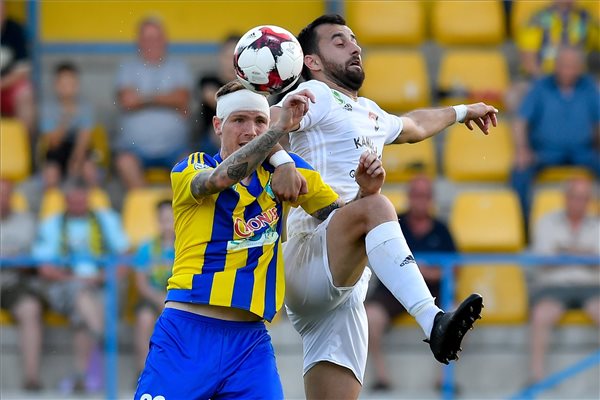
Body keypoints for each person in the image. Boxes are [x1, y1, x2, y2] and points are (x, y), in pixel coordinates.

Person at [271, 14, 495, 399]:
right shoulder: (316, 94)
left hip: (345, 285)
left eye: (354, 39)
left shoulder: (368, 111)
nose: (354, 46)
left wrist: (462, 111)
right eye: (339, 41)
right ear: (312, 61)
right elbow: (266, 124)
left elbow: (414, 126)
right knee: (377, 206)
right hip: (310, 255)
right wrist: (282, 161)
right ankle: (433, 320)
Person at [134, 80, 384, 399]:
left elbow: (339, 218)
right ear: (218, 125)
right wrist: (279, 140)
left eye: (259, 121)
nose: (250, 131)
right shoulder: (193, 166)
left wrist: (365, 193)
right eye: (239, 120)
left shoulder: (285, 172)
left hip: (250, 343)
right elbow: (218, 180)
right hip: (188, 332)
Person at [33, 178, 129, 393]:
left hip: (101, 283)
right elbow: (44, 268)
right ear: (65, 201)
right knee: (80, 293)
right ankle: (104, 333)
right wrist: (74, 279)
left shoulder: (107, 220)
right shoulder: (51, 225)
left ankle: (81, 376)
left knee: (82, 315)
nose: (78, 205)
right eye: (73, 202)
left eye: (82, 201)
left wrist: (103, 276)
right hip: (64, 285)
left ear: (89, 199)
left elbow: (125, 257)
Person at [365, 175, 457, 392]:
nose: (420, 200)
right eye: (416, 195)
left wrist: (424, 272)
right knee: (369, 316)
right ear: (409, 197)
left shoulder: (441, 229)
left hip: (434, 289)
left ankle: (444, 378)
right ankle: (382, 377)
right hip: (393, 289)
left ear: (431, 199)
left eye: (425, 195)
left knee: (457, 314)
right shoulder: (394, 224)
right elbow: (380, 256)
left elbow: (455, 268)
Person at [510, 45, 600, 221]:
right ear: (556, 66)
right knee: (520, 172)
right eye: (564, 65)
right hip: (545, 153)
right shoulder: (541, 86)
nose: (568, 70)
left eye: (573, 66)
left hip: (583, 152)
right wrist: (522, 149)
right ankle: (523, 223)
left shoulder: (589, 87)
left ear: (580, 68)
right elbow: (520, 121)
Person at [529, 176, 599, 382]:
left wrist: (564, 252)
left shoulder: (597, 224)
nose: (580, 202)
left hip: (592, 287)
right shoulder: (546, 222)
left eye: (585, 198)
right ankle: (537, 378)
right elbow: (544, 260)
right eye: (576, 197)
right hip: (555, 287)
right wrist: (585, 255)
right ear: (566, 197)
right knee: (540, 315)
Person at [115, 16, 193, 189]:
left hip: (175, 148)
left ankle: (173, 206)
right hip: (134, 149)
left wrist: (142, 98)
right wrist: (168, 98)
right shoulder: (128, 67)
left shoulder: (178, 67)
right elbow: (127, 101)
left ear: (165, 40)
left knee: (189, 165)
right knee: (124, 162)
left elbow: (182, 98)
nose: (152, 43)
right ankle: (145, 204)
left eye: (156, 38)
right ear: (139, 42)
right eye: (147, 38)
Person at [506, 0, 599, 113]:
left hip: (579, 81)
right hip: (542, 79)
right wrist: (546, 84)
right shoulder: (536, 19)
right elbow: (528, 60)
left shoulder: (586, 19)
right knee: (515, 95)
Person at [0, 178, 43, 391]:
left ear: (12, 197)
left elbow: (39, 261)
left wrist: (23, 263)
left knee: (30, 308)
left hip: (15, 283)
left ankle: (31, 379)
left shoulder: (27, 222)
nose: (1, 199)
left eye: (5, 194)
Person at [39, 61, 99, 189]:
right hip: (57, 150)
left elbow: (84, 138)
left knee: (90, 172)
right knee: (50, 175)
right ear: (56, 85)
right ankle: (53, 200)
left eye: (71, 84)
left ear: (77, 85)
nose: (67, 88)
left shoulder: (86, 106)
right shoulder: (47, 108)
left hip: (79, 148)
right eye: (63, 84)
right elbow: (53, 142)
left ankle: (94, 200)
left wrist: (76, 160)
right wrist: (67, 116)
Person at [132, 199, 174, 375]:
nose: (167, 225)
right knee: (145, 318)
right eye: (163, 220)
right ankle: (143, 370)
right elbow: (141, 283)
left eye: (171, 220)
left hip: (179, 299)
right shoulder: (146, 249)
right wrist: (159, 299)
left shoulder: (186, 248)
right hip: (152, 297)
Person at [194, 34, 241, 155]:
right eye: (227, 57)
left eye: (235, 58)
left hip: (242, 137)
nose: (231, 62)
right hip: (209, 140)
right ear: (220, 57)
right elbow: (214, 99)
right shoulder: (207, 80)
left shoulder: (250, 85)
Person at [0, 0, 35, 136]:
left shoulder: (15, 29)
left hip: (10, 85)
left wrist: (2, 84)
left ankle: (24, 143)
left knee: (25, 94)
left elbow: (23, 69)